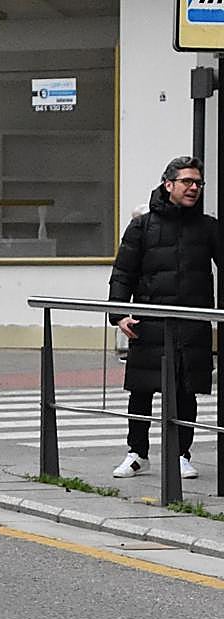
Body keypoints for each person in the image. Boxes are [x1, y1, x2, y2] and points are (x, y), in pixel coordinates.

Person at [108, 155, 218, 480]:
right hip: (150, 322)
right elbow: (123, 272)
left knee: (186, 390)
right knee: (141, 390)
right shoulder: (142, 226)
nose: (194, 187)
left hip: (191, 323)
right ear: (168, 184)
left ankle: (181, 454)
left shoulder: (207, 227)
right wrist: (118, 315)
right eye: (187, 181)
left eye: (198, 183)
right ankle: (137, 454)